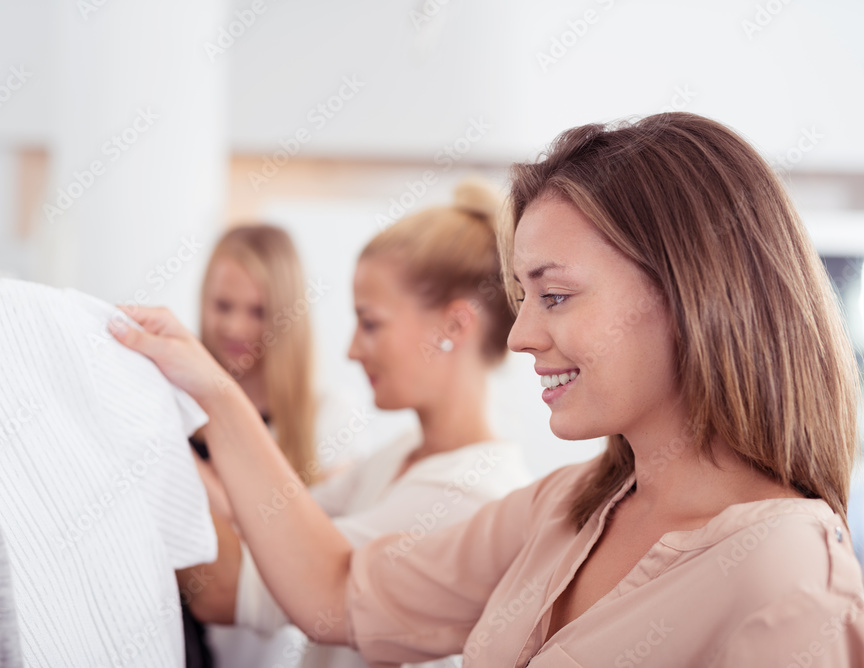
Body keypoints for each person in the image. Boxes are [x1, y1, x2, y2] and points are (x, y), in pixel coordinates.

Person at [110, 113, 864, 666]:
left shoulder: (790, 580)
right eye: (523, 298)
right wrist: (211, 390)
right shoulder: (566, 508)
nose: (521, 336)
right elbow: (336, 592)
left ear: (690, 294)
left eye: (555, 296)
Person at [182, 181, 532, 667]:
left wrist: (165, 433)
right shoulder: (400, 455)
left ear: (454, 326)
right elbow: (265, 522)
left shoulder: (466, 495)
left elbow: (228, 589)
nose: (351, 350)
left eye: (370, 323)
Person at [183, 224, 361, 667]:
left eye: (258, 311)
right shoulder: (178, 400)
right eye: (222, 306)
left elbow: (311, 555)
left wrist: (185, 467)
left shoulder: (328, 416)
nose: (235, 326)